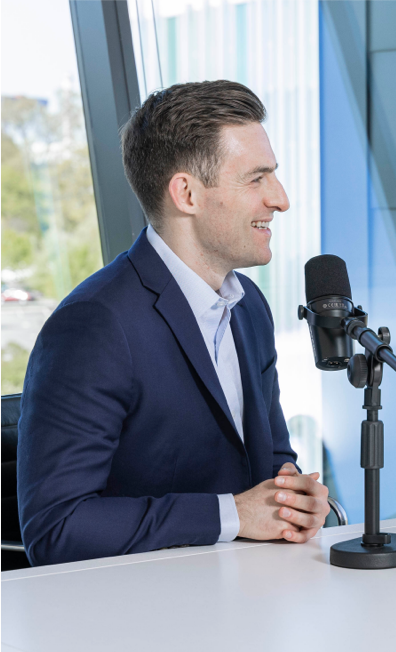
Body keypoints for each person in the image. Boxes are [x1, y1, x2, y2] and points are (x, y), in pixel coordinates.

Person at [18, 81, 330, 566]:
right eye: (256, 179)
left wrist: (294, 499)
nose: (281, 199)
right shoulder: (95, 325)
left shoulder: (248, 305)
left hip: (247, 599)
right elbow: (56, 529)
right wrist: (234, 515)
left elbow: (270, 463)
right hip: (141, 622)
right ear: (186, 193)